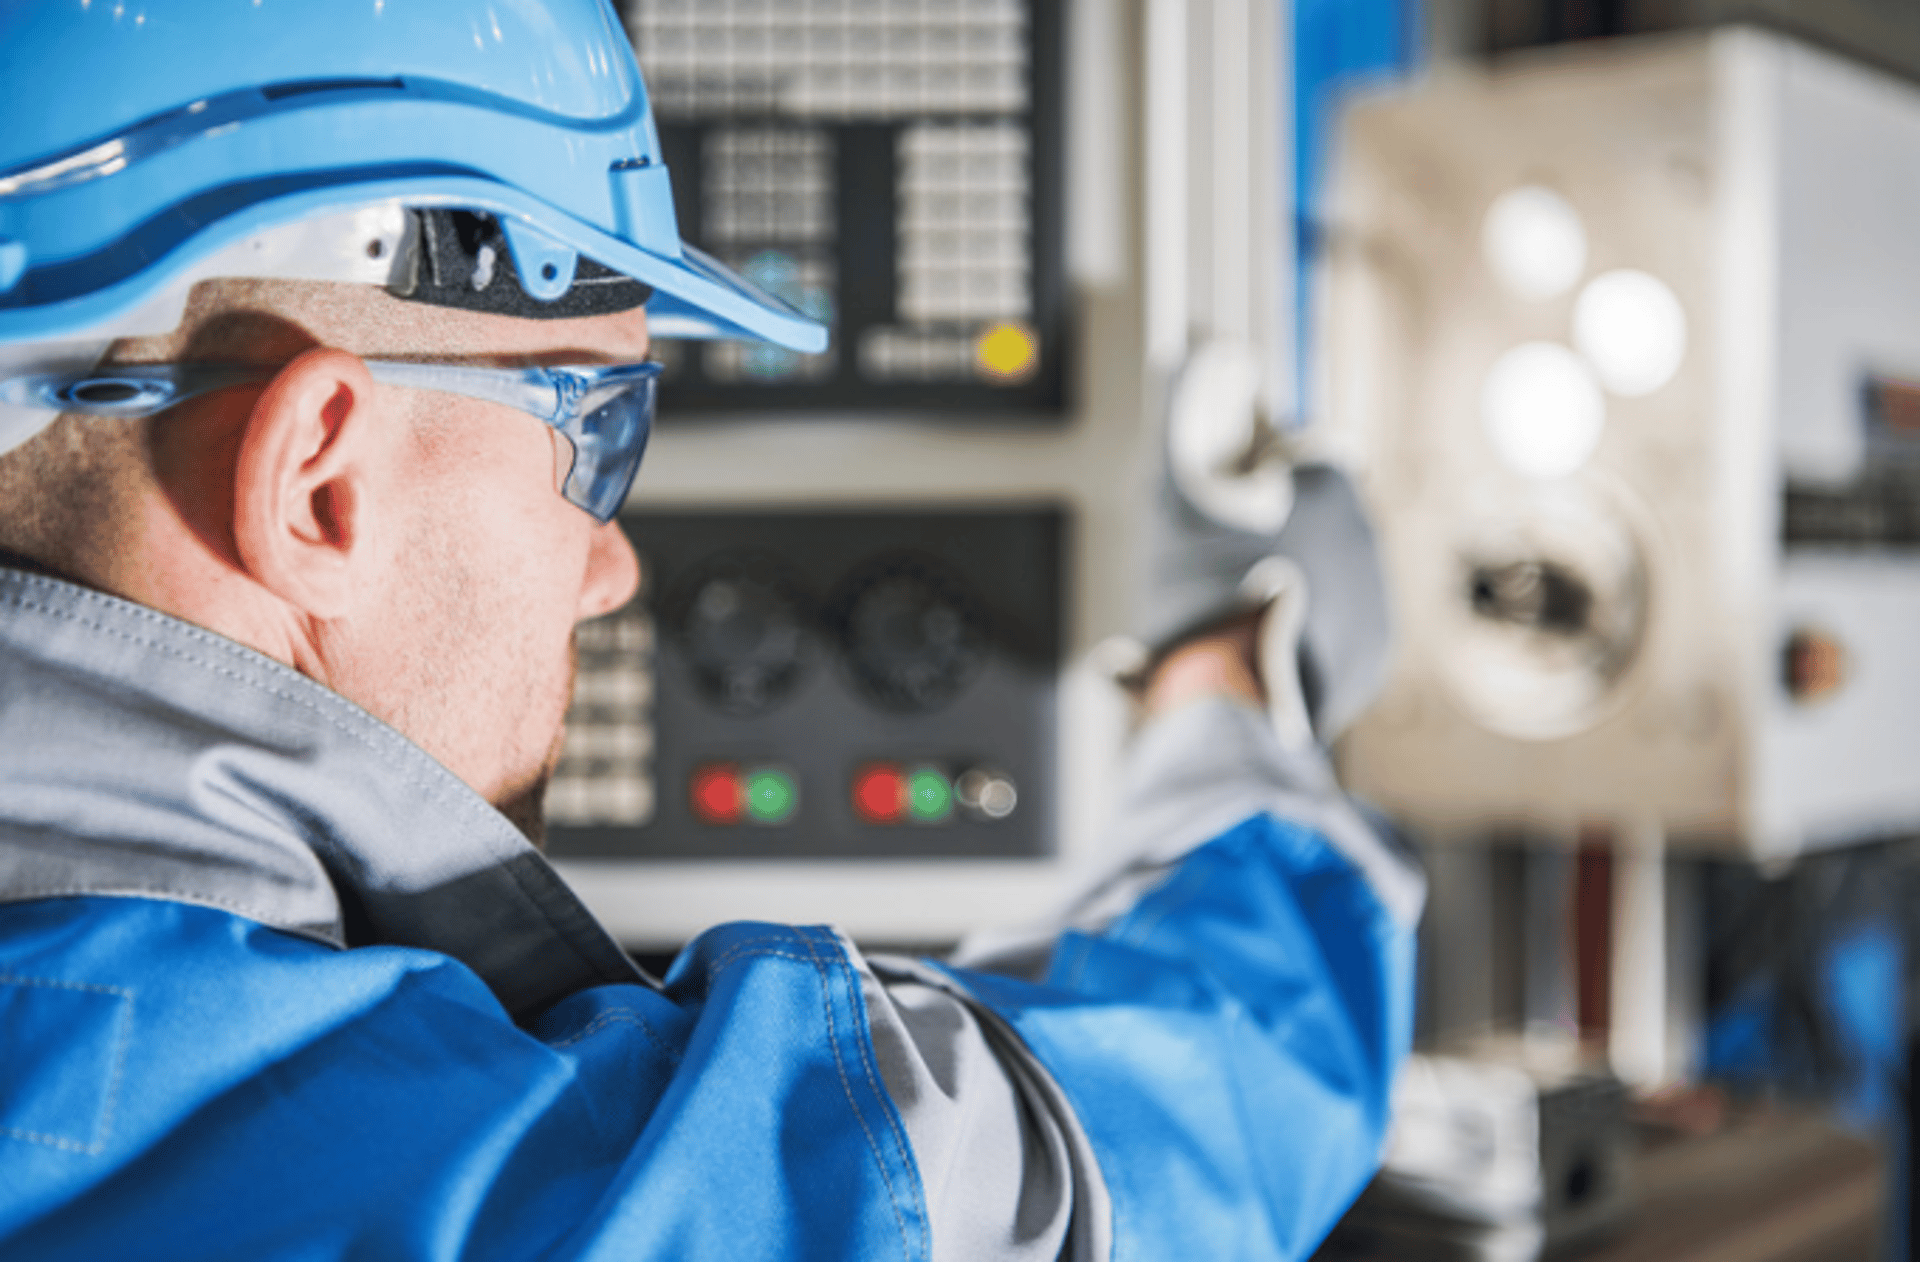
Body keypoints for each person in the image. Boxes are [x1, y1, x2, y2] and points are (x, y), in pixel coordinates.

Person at [0, 3, 1421, 1258]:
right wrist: (1236, 694)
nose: (610, 565)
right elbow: (1117, 1161)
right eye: (597, 434)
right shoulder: (469, 1190)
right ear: (321, 481)